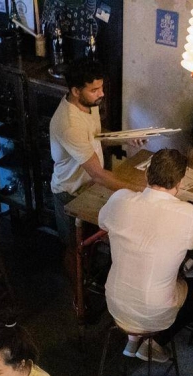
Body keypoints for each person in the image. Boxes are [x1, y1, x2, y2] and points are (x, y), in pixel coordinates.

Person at [99, 148, 193, 362]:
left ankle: (133, 339)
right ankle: (155, 342)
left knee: (146, 267)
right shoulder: (188, 216)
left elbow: (104, 221)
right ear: (180, 182)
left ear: (147, 173)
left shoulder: (120, 199)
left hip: (115, 302)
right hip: (153, 314)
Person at [49, 57, 136, 243]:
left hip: (90, 187)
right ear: (75, 91)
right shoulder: (70, 124)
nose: (101, 94)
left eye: (101, 87)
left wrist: (127, 139)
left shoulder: (88, 104)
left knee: (90, 244)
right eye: (95, 90)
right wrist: (139, 192)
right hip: (70, 192)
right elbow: (98, 174)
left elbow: (95, 136)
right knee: (73, 247)